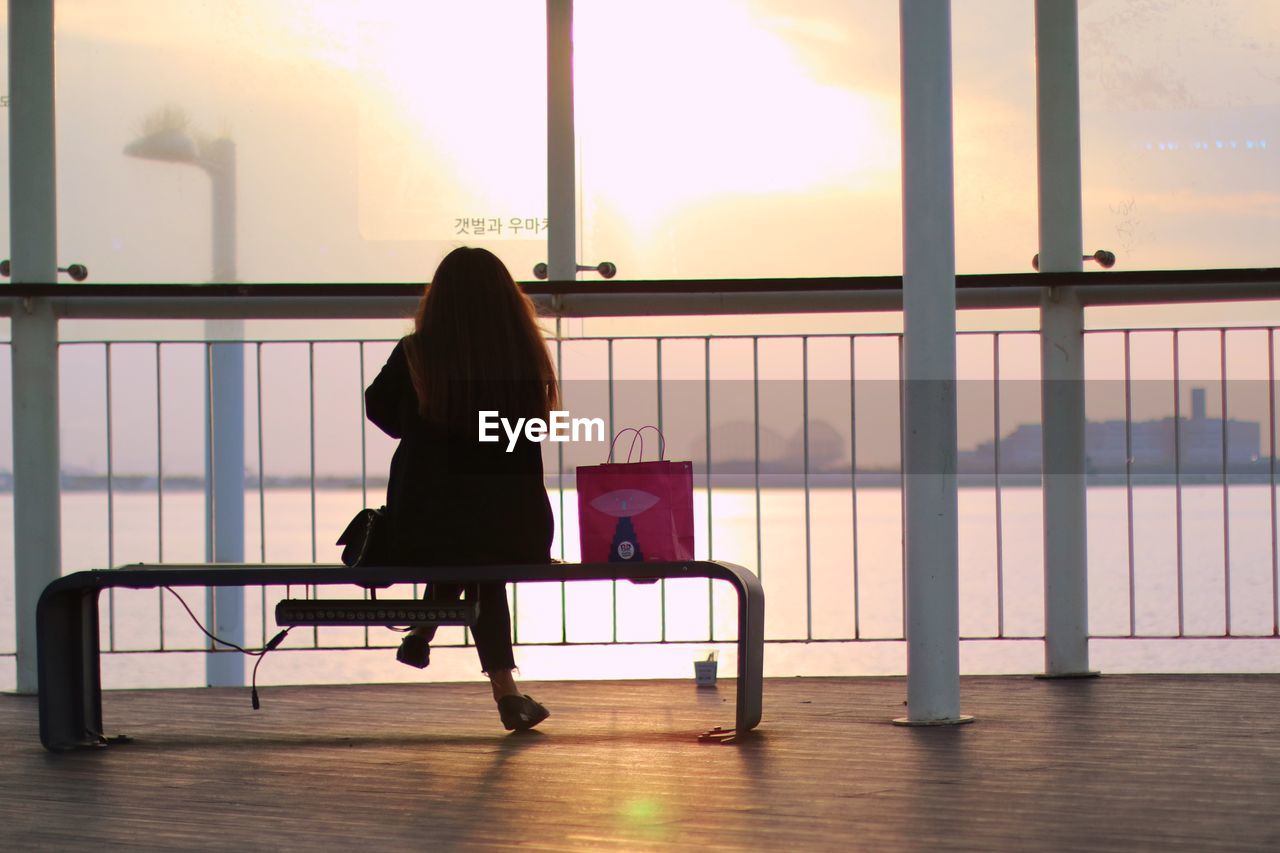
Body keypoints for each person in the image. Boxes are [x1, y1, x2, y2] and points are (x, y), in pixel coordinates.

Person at [364, 246, 556, 732]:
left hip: (424, 528)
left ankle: (426, 635)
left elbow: (381, 412)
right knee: (482, 548)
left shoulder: (418, 352)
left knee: (458, 529)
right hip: (517, 531)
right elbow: (530, 433)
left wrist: (427, 419)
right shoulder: (524, 355)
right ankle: (505, 691)